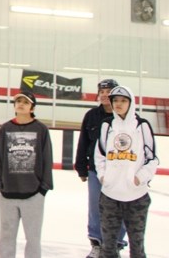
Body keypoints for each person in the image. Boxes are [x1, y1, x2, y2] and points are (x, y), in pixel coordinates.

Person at [95, 86, 159, 258]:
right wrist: (103, 176)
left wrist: (139, 178)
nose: (118, 104)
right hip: (109, 195)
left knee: (137, 249)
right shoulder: (106, 126)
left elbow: (152, 159)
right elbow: (99, 156)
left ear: (131, 103)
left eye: (123, 101)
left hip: (136, 197)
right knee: (108, 249)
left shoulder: (142, 125)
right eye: (115, 100)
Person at [0, 90, 53, 258]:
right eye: (18, 101)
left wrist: (43, 188)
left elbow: (47, 159)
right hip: (7, 193)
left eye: (25, 102)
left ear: (32, 107)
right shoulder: (6, 128)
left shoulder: (41, 129)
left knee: (33, 238)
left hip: (33, 194)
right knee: (6, 236)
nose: (21, 104)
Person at [75, 79, 127, 257]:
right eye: (102, 91)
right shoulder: (91, 115)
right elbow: (83, 142)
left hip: (120, 172)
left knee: (120, 207)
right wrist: (81, 168)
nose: (104, 94)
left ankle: (116, 244)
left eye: (108, 91)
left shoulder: (124, 116)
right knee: (96, 208)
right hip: (96, 171)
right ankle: (96, 243)